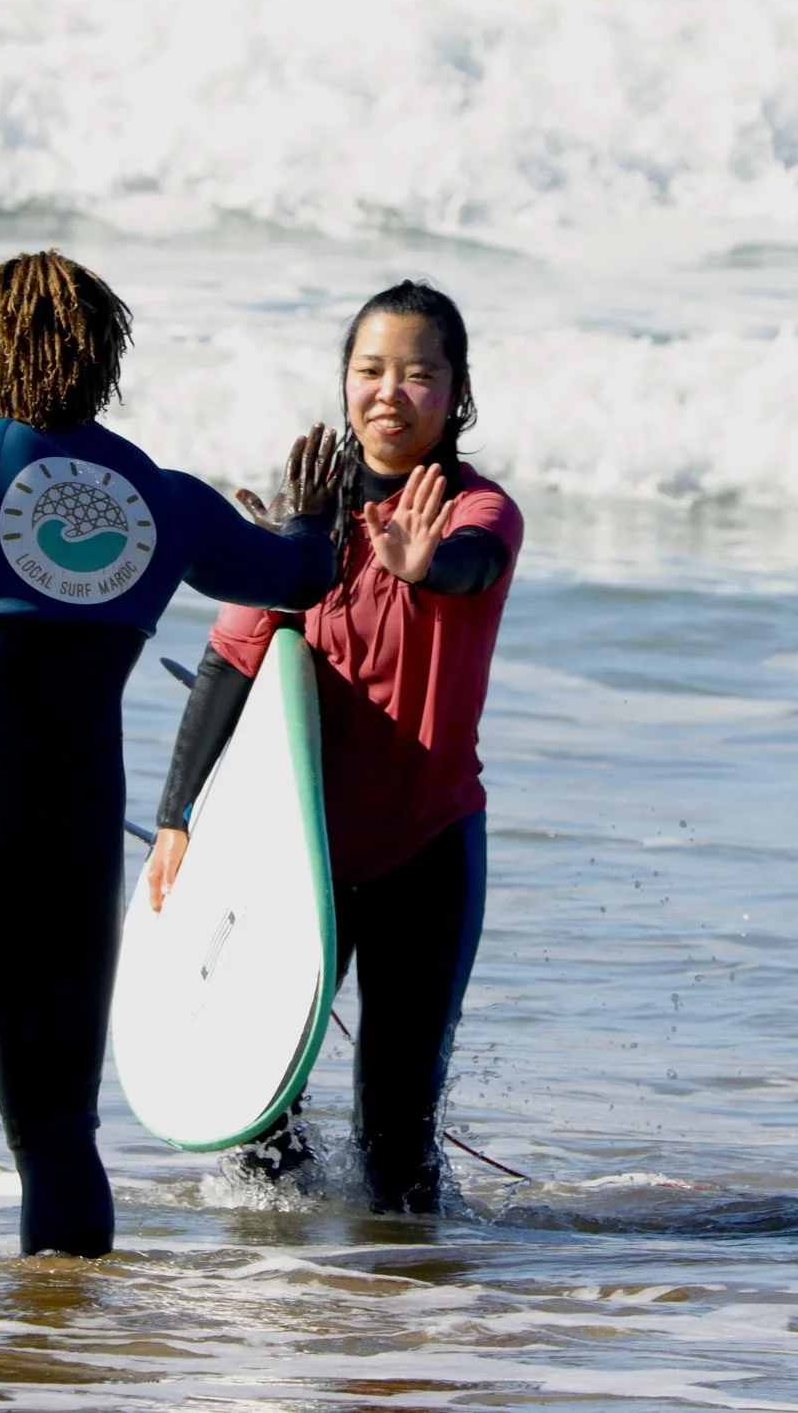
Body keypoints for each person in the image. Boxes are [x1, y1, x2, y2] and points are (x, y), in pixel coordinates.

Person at [0, 250, 339, 1259]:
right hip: (74, 865)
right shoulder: (164, 502)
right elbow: (297, 576)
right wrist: (313, 520)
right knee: (58, 1138)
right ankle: (65, 1364)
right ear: (104, 358)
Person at [147, 279, 521, 1214]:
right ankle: (289, 1315)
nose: (390, 391)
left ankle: (396, 1328)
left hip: (423, 847)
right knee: (256, 1125)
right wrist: (175, 818)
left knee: (397, 1147)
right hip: (288, 856)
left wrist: (419, 561)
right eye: (369, 370)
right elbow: (231, 662)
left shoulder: (478, 513)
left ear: (457, 392)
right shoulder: (302, 522)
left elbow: (472, 568)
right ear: (344, 382)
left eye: (419, 374)